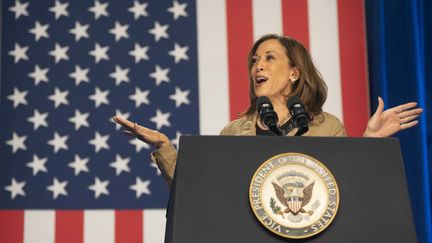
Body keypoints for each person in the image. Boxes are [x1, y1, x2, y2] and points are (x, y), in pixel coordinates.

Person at [113, 34, 423, 185]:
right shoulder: (234, 132)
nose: (257, 65)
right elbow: (200, 190)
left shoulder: (326, 127)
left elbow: (344, 187)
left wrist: (369, 143)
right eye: (254, 60)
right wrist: (164, 147)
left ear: (294, 73)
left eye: (269, 57)